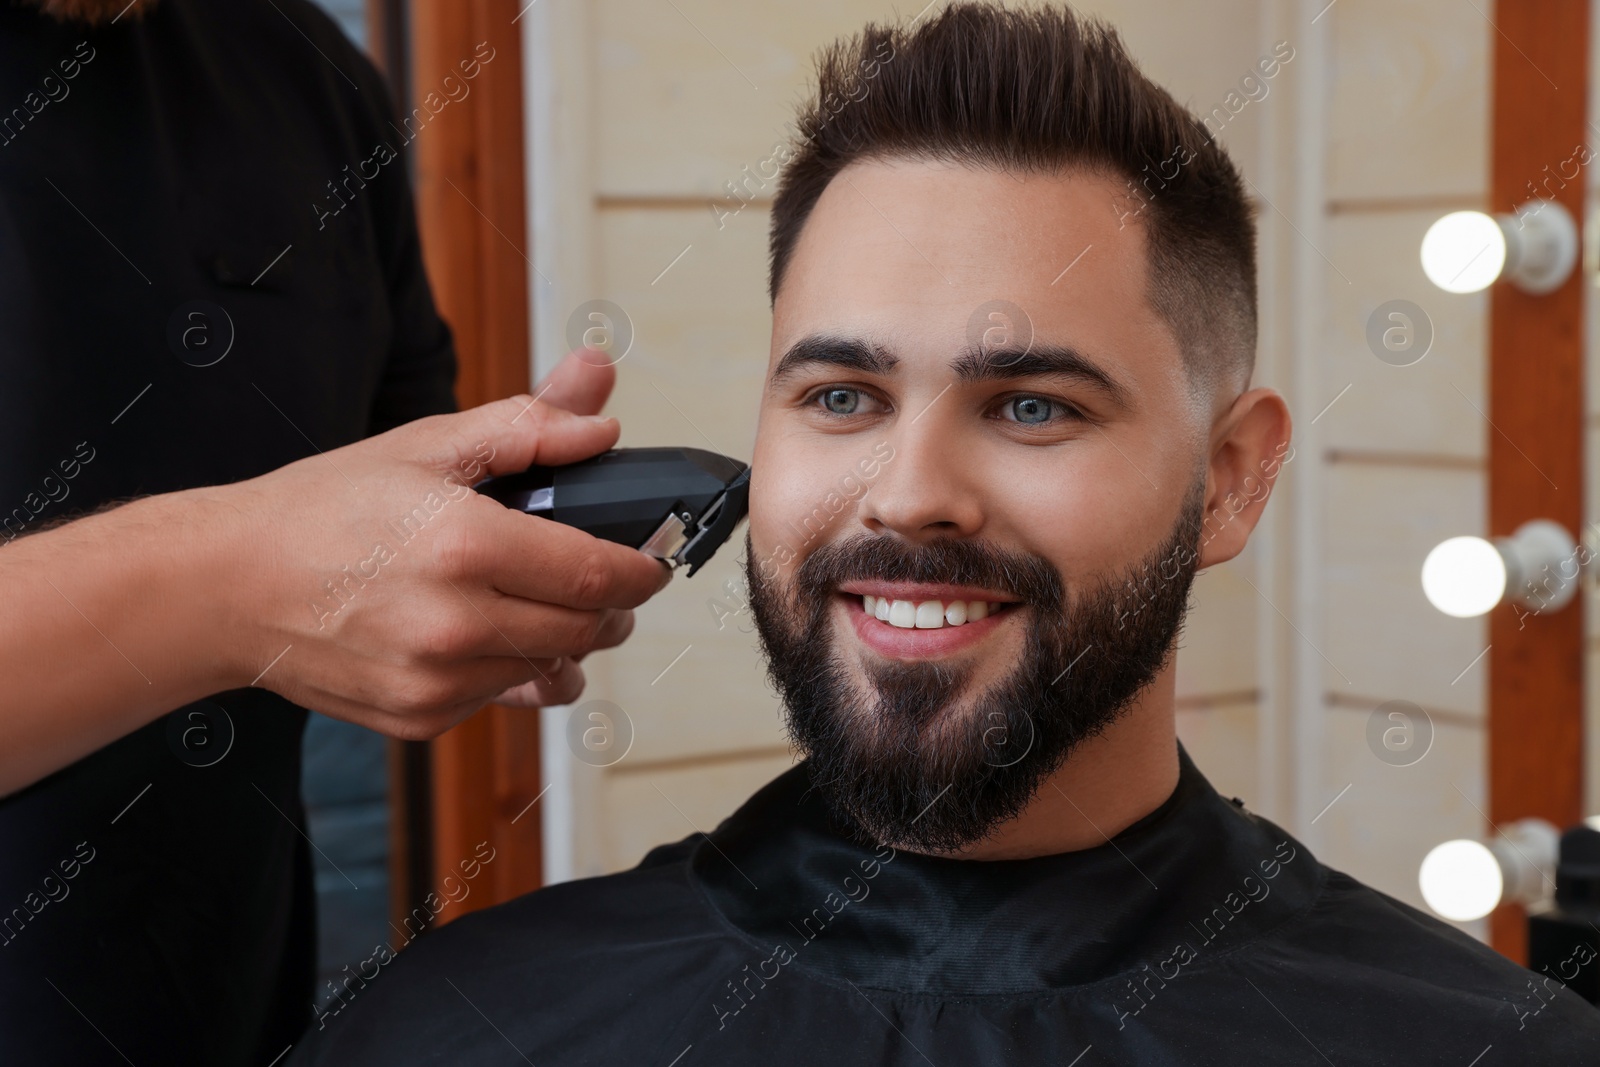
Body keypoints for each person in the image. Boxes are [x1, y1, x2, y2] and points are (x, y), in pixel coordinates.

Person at [294, 3, 1600, 1064]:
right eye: (843, 397)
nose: (910, 491)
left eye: (1032, 405)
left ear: (1229, 479)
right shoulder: (453, 1027)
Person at [0, 1, 666, 1064]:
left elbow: (408, 492)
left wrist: (486, 584)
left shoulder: (306, 71)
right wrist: (234, 583)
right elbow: (273, 566)